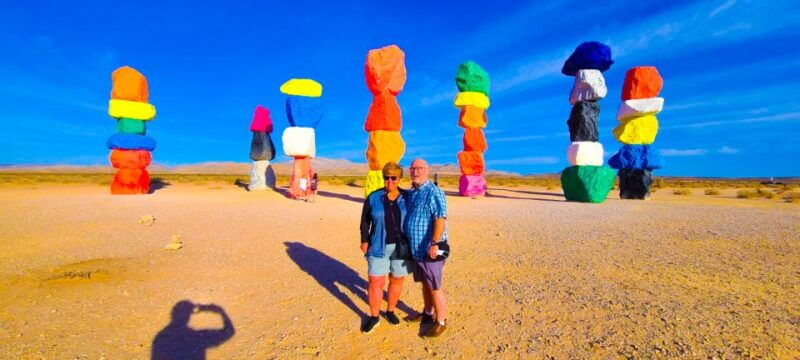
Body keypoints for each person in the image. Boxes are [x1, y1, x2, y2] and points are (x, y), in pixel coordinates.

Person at [358, 162, 411, 334]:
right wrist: (364, 240)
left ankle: (390, 311)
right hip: (378, 245)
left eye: (393, 178)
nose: (389, 181)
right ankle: (374, 317)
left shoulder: (407, 197)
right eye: (386, 178)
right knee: (376, 281)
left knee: (397, 279)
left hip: (401, 247)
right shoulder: (373, 197)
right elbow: (365, 221)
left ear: (399, 179)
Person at [404, 158, 449, 338]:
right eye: (412, 168)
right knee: (425, 283)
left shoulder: (433, 191)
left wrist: (434, 242)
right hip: (418, 250)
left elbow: (440, 218)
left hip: (432, 248)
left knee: (435, 285)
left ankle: (441, 322)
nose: (415, 171)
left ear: (427, 170)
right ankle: (428, 314)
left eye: (419, 168)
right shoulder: (413, 193)